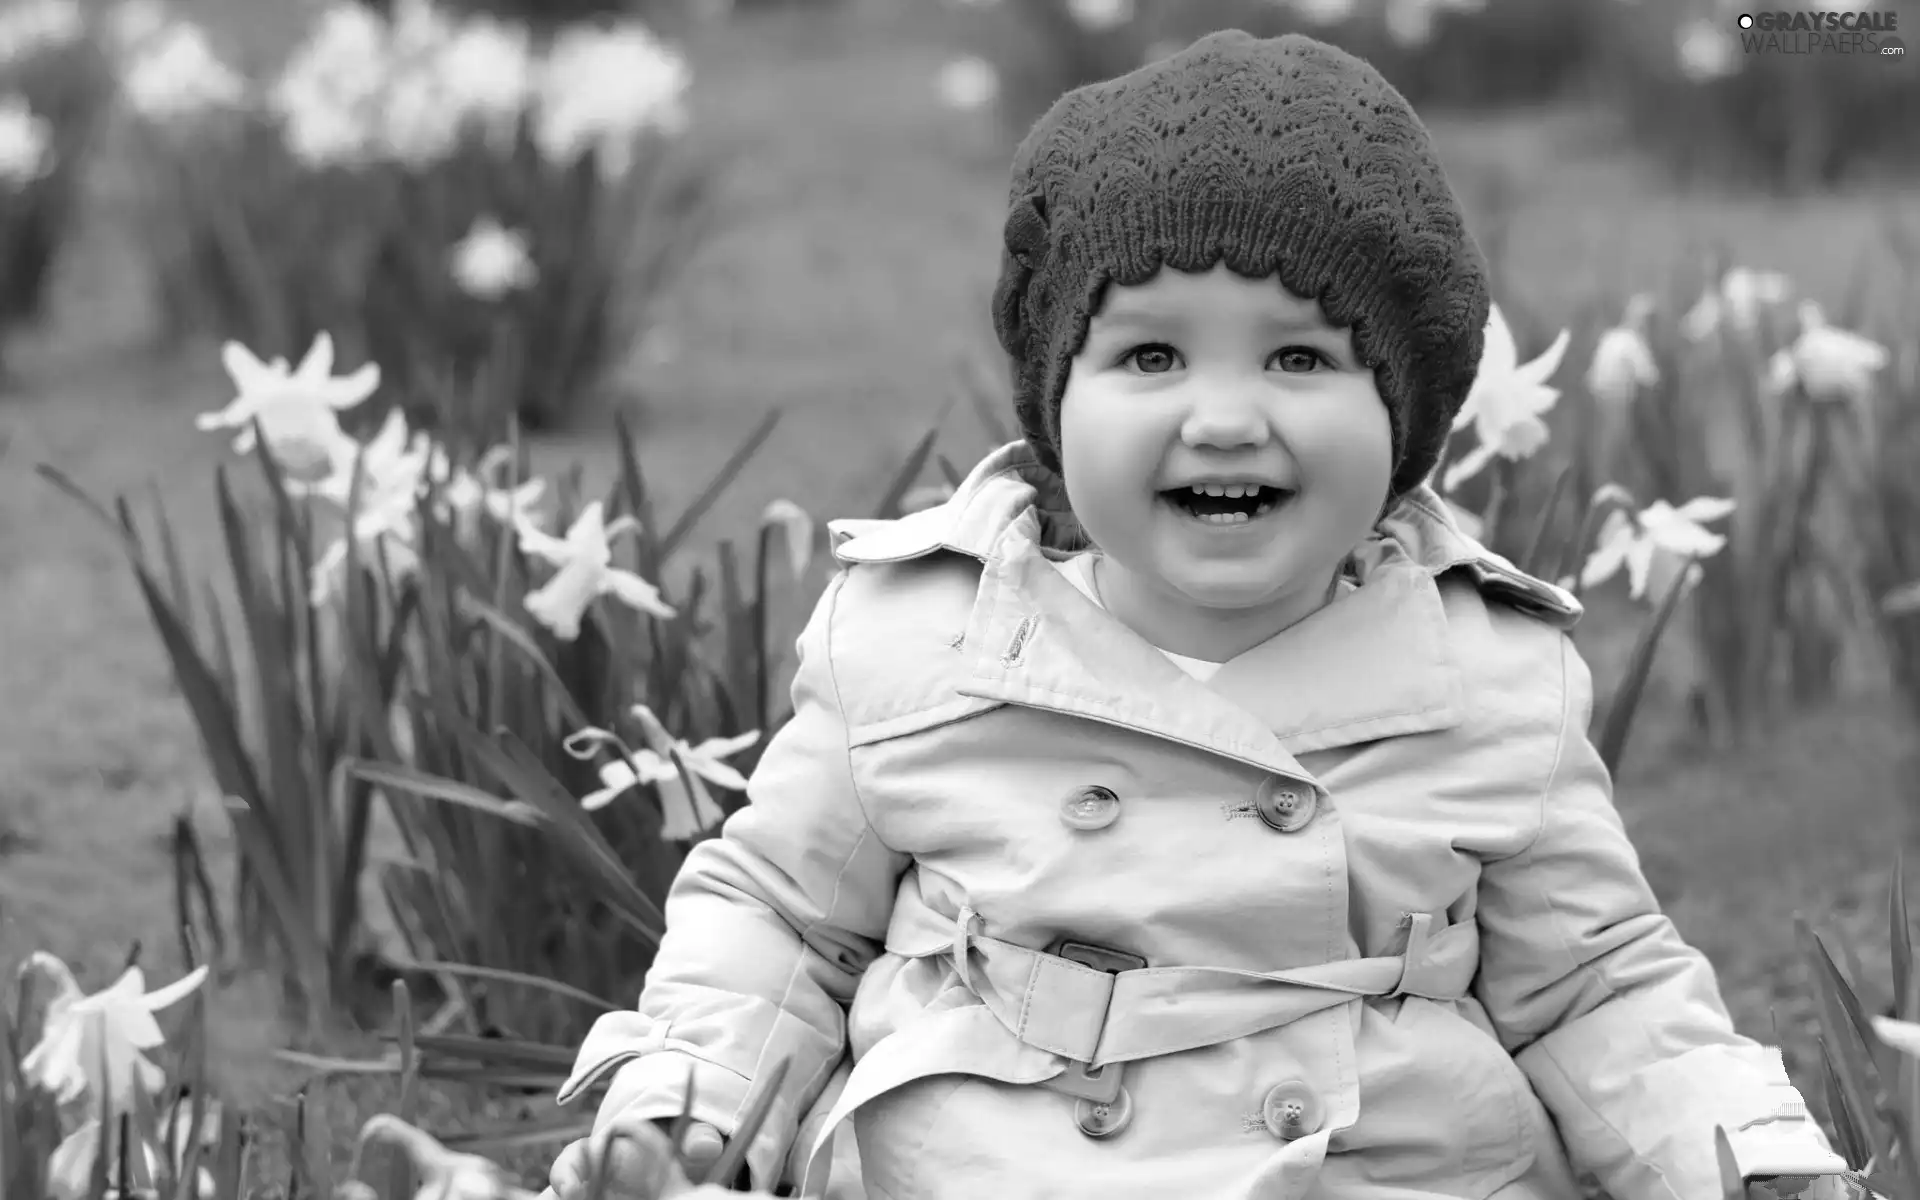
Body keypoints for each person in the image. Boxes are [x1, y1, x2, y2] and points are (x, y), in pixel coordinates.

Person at [544, 29, 1846, 1200]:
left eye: (1298, 357)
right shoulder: (923, 640)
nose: (1224, 416)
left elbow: (1596, 988)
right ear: (1058, 406)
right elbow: (780, 913)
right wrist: (690, 1101)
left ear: (1404, 420)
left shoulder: (1486, 674)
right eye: (1152, 356)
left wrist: (1743, 1155)